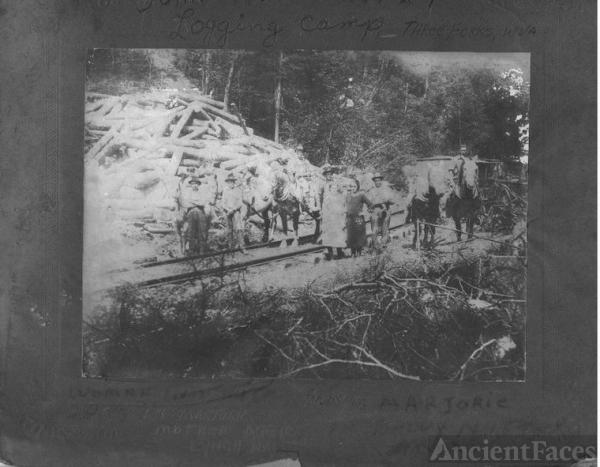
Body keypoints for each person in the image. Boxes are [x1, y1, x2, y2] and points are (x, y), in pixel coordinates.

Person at [174, 176, 215, 254]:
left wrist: (193, 202)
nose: (194, 185)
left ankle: (202, 250)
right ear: (191, 185)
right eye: (193, 184)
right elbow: (185, 204)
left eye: (196, 184)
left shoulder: (202, 193)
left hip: (200, 212)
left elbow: (203, 203)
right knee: (191, 231)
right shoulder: (188, 194)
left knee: (202, 231)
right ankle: (191, 250)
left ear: (198, 185)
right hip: (191, 213)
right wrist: (196, 203)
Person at [319, 164, 347, 260]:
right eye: (327, 174)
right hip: (327, 209)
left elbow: (342, 194)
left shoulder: (336, 184)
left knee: (338, 231)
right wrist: (321, 209)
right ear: (325, 175)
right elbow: (320, 197)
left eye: (331, 174)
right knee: (328, 232)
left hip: (336, 208)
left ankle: (340, 251)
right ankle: (329, 253)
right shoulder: (323, 185)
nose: (329, 176)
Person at [221, 173, 249, 254]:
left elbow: (240, 203)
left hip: (235, 212)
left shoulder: (238, 191)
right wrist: (227, 209)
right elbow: (222, 203)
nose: (231, 183)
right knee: (229, 230)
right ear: (227, 183)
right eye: (229, 182)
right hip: (227, 212)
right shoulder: (225, 191)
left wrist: (233, 209)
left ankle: (242, 247)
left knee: (238, 229)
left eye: (232, 181)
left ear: (234, 182)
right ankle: (231, 248)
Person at [345, 178, 373, 257]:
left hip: (358, 219)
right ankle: (353, 253)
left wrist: (365, 212)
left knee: (359, 236)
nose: (353, 188)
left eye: (354, 186)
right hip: (350, 219)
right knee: (351, 236)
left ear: (358, 187)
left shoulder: (361, 195)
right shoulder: (348, 196)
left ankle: (359, 253)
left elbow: (370, 204)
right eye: (351, 186)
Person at [366, 172, 394, 248]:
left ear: (381, 180)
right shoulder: (371, 191)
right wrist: (371, 206)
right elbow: (369, 203)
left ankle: (383, 245)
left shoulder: (387, 189)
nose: (377, 182)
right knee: (375, 229)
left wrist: (387, 201)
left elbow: (393, 201)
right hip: (376, 210)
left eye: (379, 180)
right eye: (376, 181)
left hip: (386, 210)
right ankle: (375, 245)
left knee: (385, 228)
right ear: (374, 181)